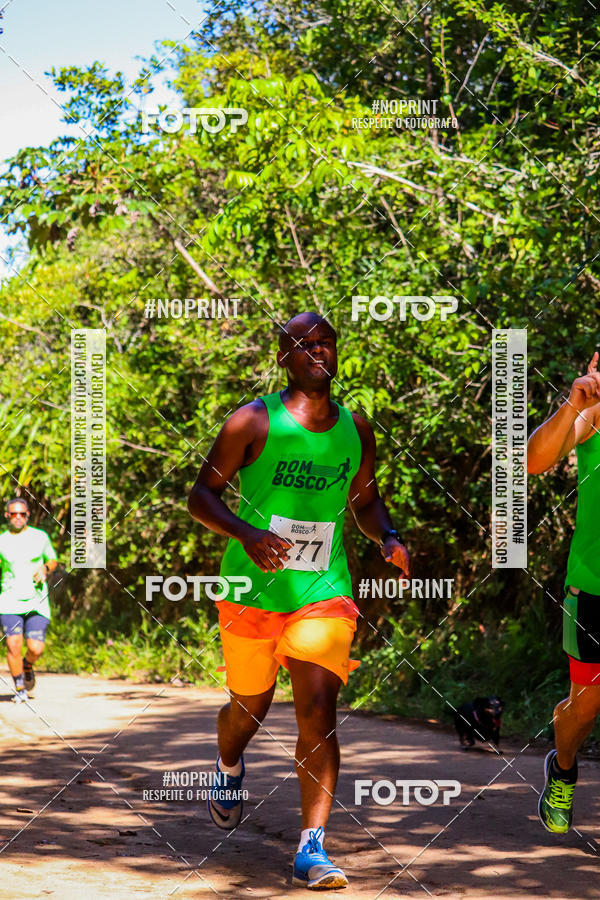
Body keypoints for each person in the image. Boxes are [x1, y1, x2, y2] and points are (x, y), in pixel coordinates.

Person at [188, 311, 410, 890]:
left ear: (337, 353)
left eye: (326, 344)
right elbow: (201, 496)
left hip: (324, 591)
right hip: (250, 590)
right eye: (304, 345)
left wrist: (387, 537)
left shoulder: (356, 429)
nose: (318, 352)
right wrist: (248, 533)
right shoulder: (252, 422)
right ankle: (229, 765)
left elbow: (365, 503)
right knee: (248, 712)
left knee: (317, 709)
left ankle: (312, 847)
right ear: (284, 356)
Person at [528, 350, 600, 833]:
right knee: (586, 704)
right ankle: (564, 766)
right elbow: (533, 461)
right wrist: (573, 404)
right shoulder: (594, 413)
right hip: (594, 587)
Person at [0, 497, 58, 703]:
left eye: (22, 514)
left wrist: (45, 568)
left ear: (28, 515)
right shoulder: (2, 540)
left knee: (35, 648)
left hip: (36, 601)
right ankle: (19, 687)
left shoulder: (40, 537)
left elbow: (53, 559)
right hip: (8, 601)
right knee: (13, 644)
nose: (17, 517)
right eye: (13, 514)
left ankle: (27, 665)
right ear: (7, 515)